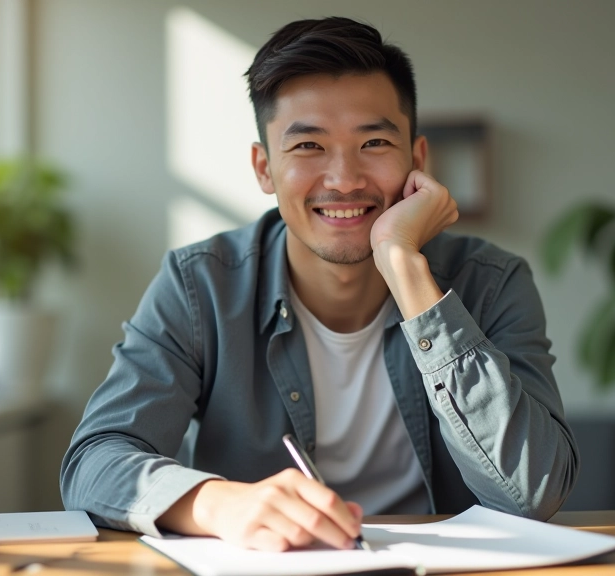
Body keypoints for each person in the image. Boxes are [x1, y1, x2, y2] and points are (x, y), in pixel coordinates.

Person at [61, 16, 578, 553]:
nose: (344, 179)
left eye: (373, 141)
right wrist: (221, 503)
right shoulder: (199, 288)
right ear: (264, 168)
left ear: (418, 160)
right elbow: (94, 462)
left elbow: (531, 493)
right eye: (308, 147)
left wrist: (404, 266)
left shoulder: (491, 283)